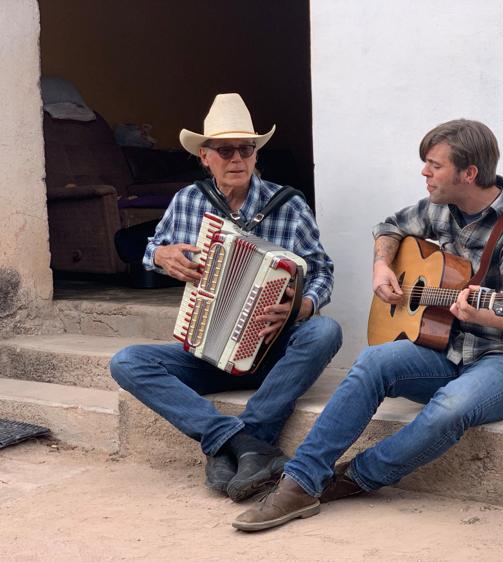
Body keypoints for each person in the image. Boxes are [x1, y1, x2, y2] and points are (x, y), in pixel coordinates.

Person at [232, 118, 503, 531]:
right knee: (372, 362)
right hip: (450, 350)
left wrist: (481, 313)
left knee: (450, 406)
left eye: (434, 165)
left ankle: (354, 478)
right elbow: (388, 226)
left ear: (468, 173)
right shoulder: (441, 209)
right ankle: (298, 483)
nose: (424, 173)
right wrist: (383, 265)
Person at [109, 93, 342, 503]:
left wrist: (302, 305)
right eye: (225, 150)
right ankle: (236, 442)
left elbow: (322, 271)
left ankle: (249, 437)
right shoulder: (189, 201)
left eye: (246, 149)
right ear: (205, 156)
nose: (237, 158)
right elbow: (152, 248)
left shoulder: (288, 205)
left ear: (256, 155)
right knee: (128, 361)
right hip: (208, 353)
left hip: (275, 354)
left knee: (325, 331)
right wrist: (160, 255)